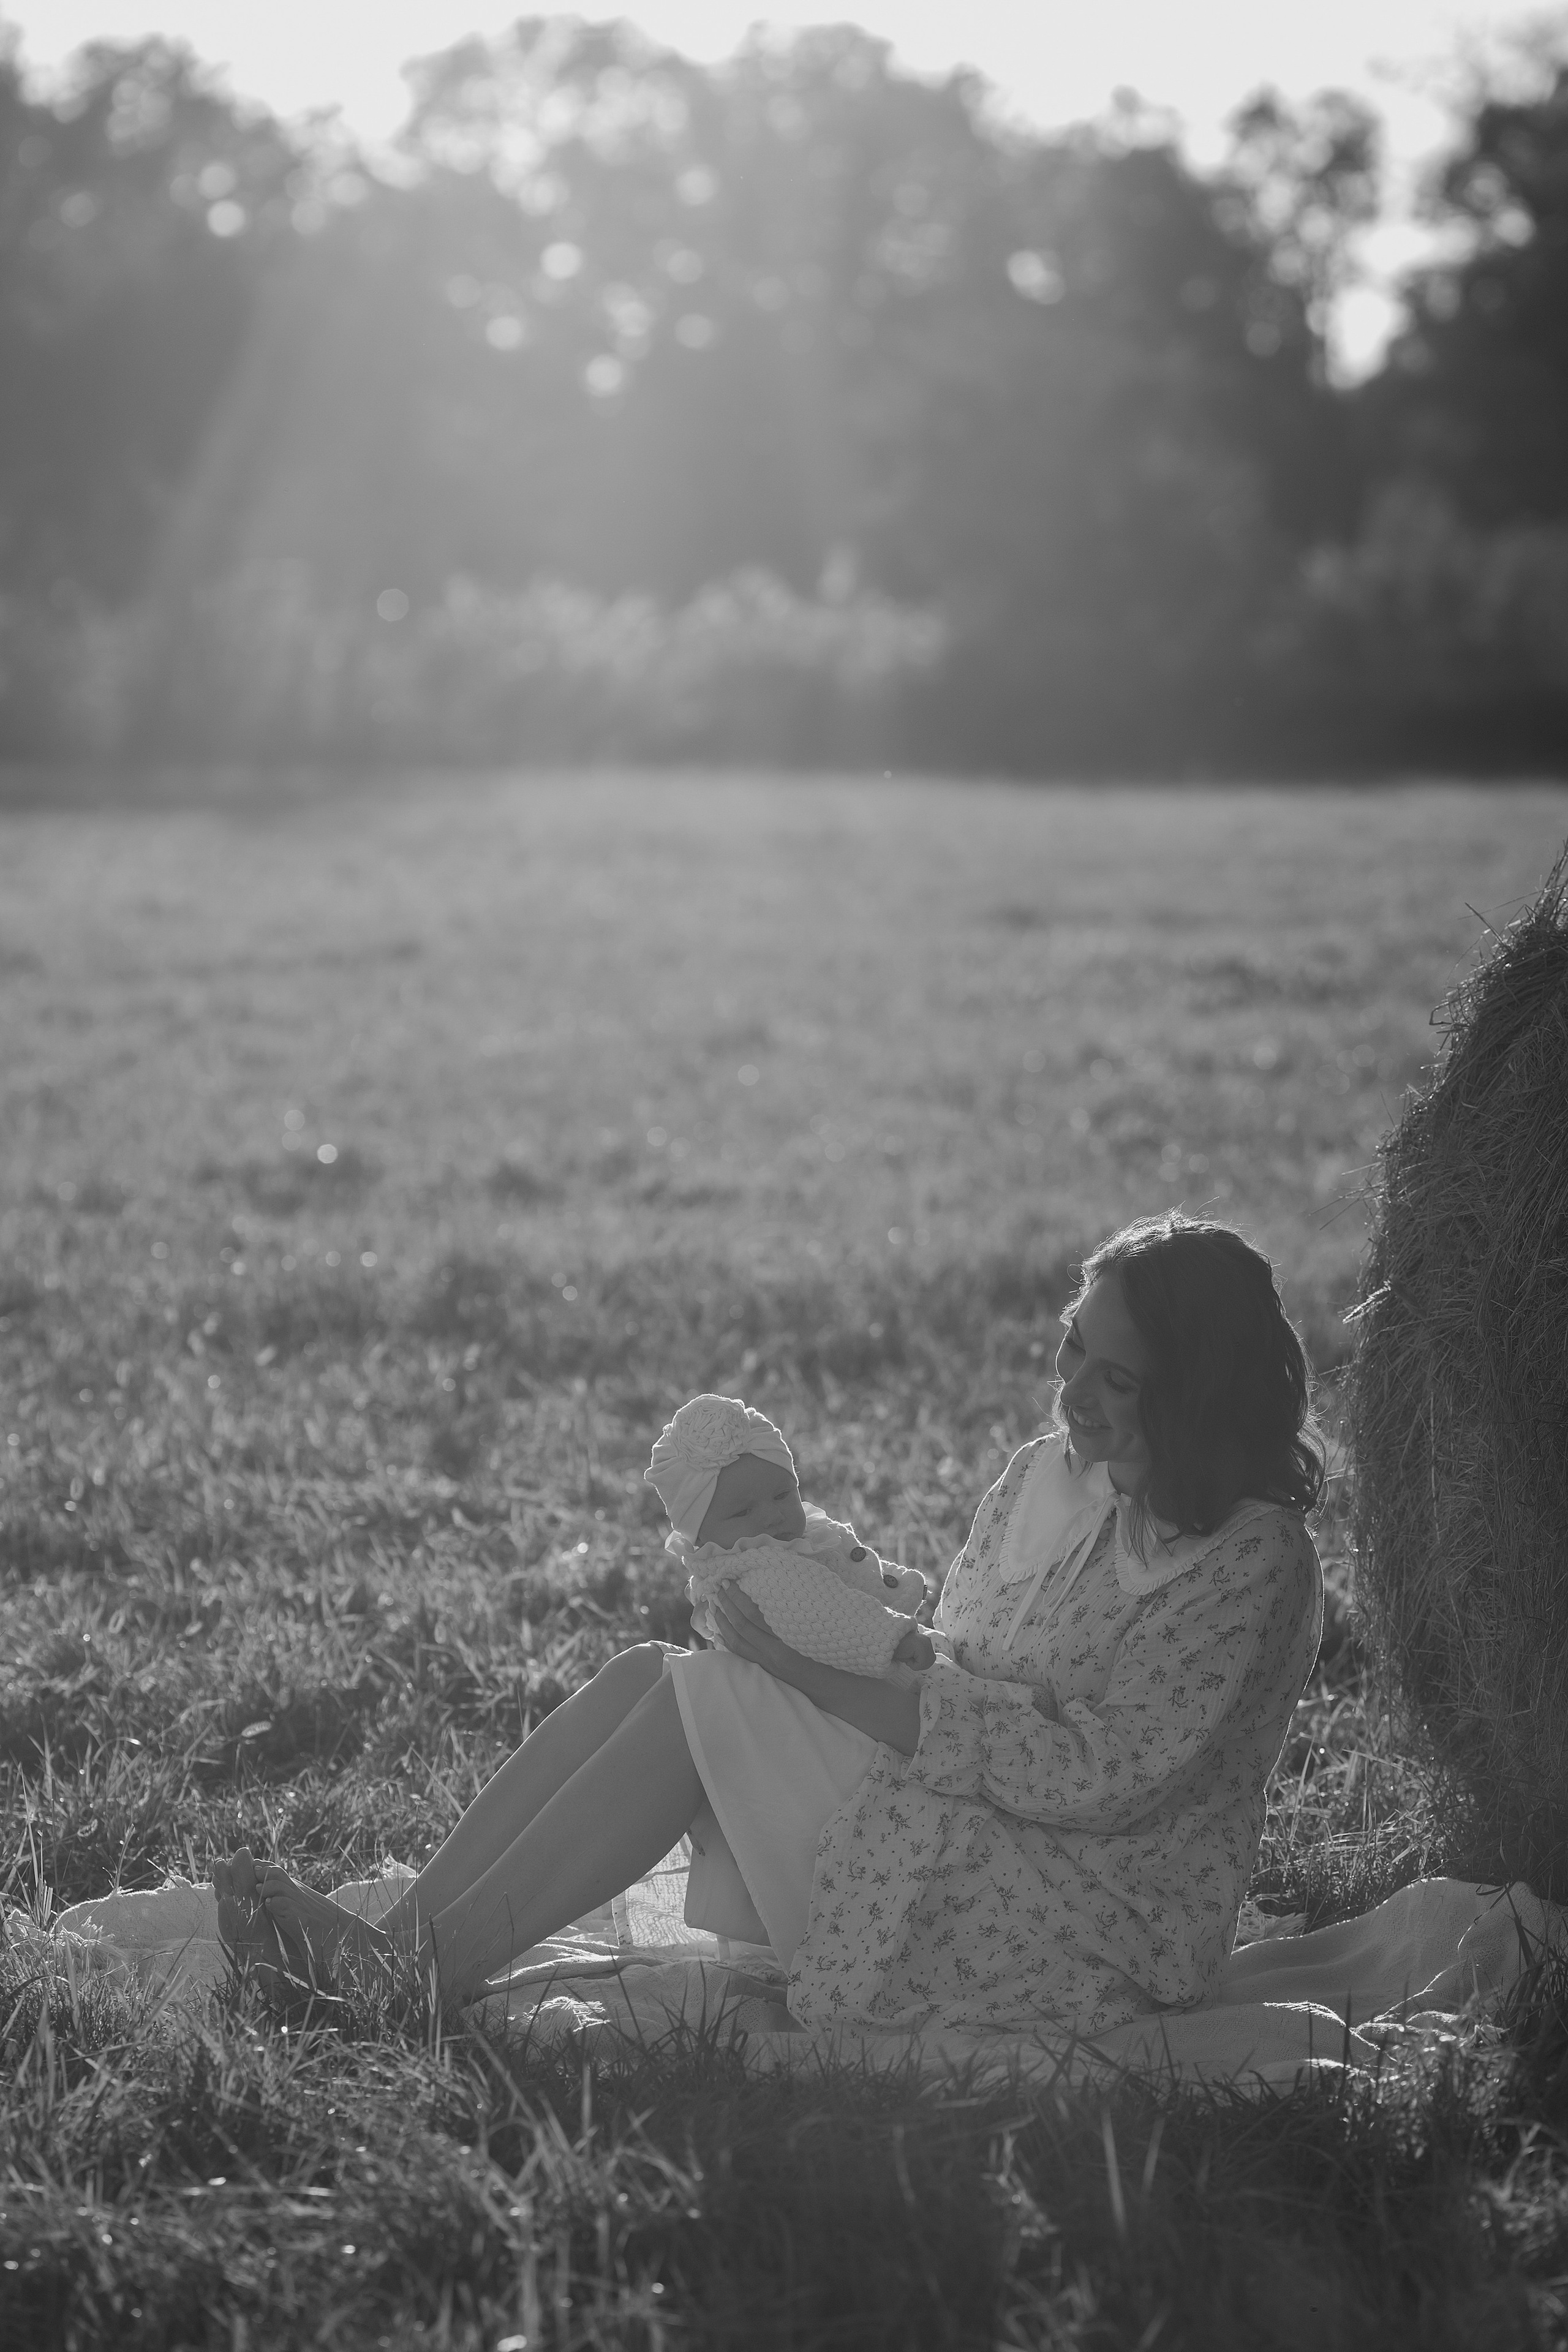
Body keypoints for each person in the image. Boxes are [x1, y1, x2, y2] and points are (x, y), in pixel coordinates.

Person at [218, 1213, 1324, 2037]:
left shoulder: (1247, 1562)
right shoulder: (1049, 1474)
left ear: (1195, 1393)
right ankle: (402, 1948)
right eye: (1071, 1345)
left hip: (1077, 1902)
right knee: (652, 1670)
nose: (1075, 1388)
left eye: (1115, 1374)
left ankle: (400, 1988)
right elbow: (956, 1645)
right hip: (963, 1794)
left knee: (708, 1699)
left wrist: (823, 1681)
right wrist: (831, 1648)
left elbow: (1104, 1778)